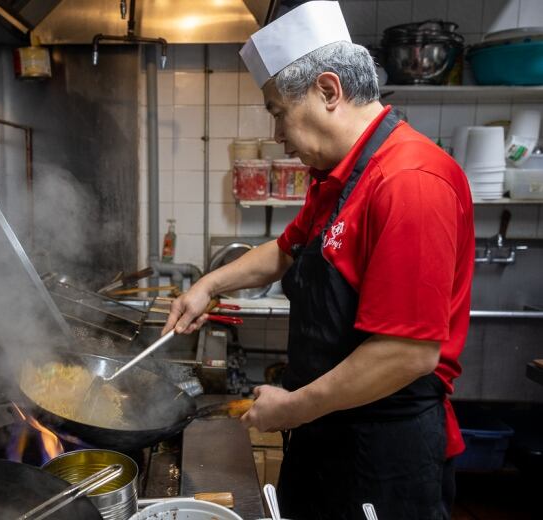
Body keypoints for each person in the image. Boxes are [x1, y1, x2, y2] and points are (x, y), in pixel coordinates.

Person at [162, 2, 474, 518]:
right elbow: (287, 250)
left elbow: (407, 353)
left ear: (328, 91)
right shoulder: (337, 175)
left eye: (278, 113)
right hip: (325, 431)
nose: (278, 135)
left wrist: (293, 406)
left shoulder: (410, 182)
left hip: (382, 453)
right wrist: (208, 285)